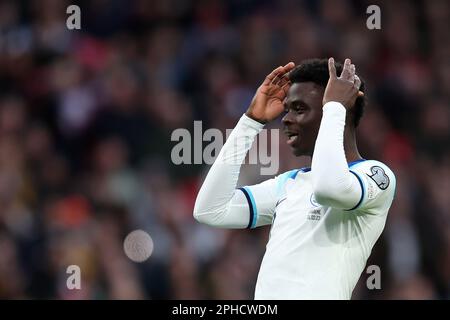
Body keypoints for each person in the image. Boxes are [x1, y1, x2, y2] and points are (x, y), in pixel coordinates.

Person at [193, 58, 396, 299]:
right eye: (287, 109)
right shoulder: (287, 184)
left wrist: (334, 107)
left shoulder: (374, 174)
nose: (286, 119)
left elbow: (329, 189)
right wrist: (250, 122)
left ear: (341, 111)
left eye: (299, 109)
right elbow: (209, 210)